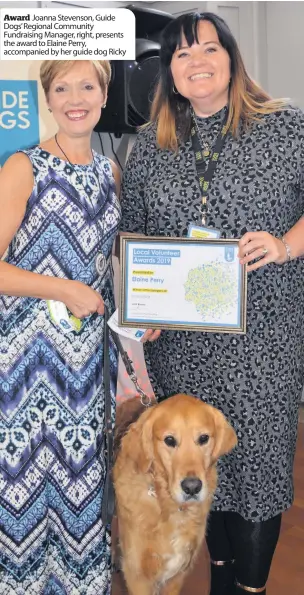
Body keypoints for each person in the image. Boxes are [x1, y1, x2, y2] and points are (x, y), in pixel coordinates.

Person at [120, 12, 304, 595]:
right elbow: (133, 235)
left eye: (207, 48)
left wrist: (284, 244)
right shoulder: (148, 145)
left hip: (264, 337)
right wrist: (142, 310)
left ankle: (250, 588)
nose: (195, 62)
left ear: (231, 58)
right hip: (184, 344)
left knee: (258, 471)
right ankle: (220, 575)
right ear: (169, 74)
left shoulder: (285, 127)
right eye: (180, 54)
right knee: (197, 470)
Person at [0, 59, 121, 595]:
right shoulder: (23, 167)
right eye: (62, 87)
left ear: (103, 95)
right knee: (27, 488)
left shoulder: (112, 171)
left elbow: (110, 268)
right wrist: (62, 288)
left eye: (87, 86)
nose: (76, 97)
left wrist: (140, 320)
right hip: (27, 363)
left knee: (81, 486)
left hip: (88, 364)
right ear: (46, 99)